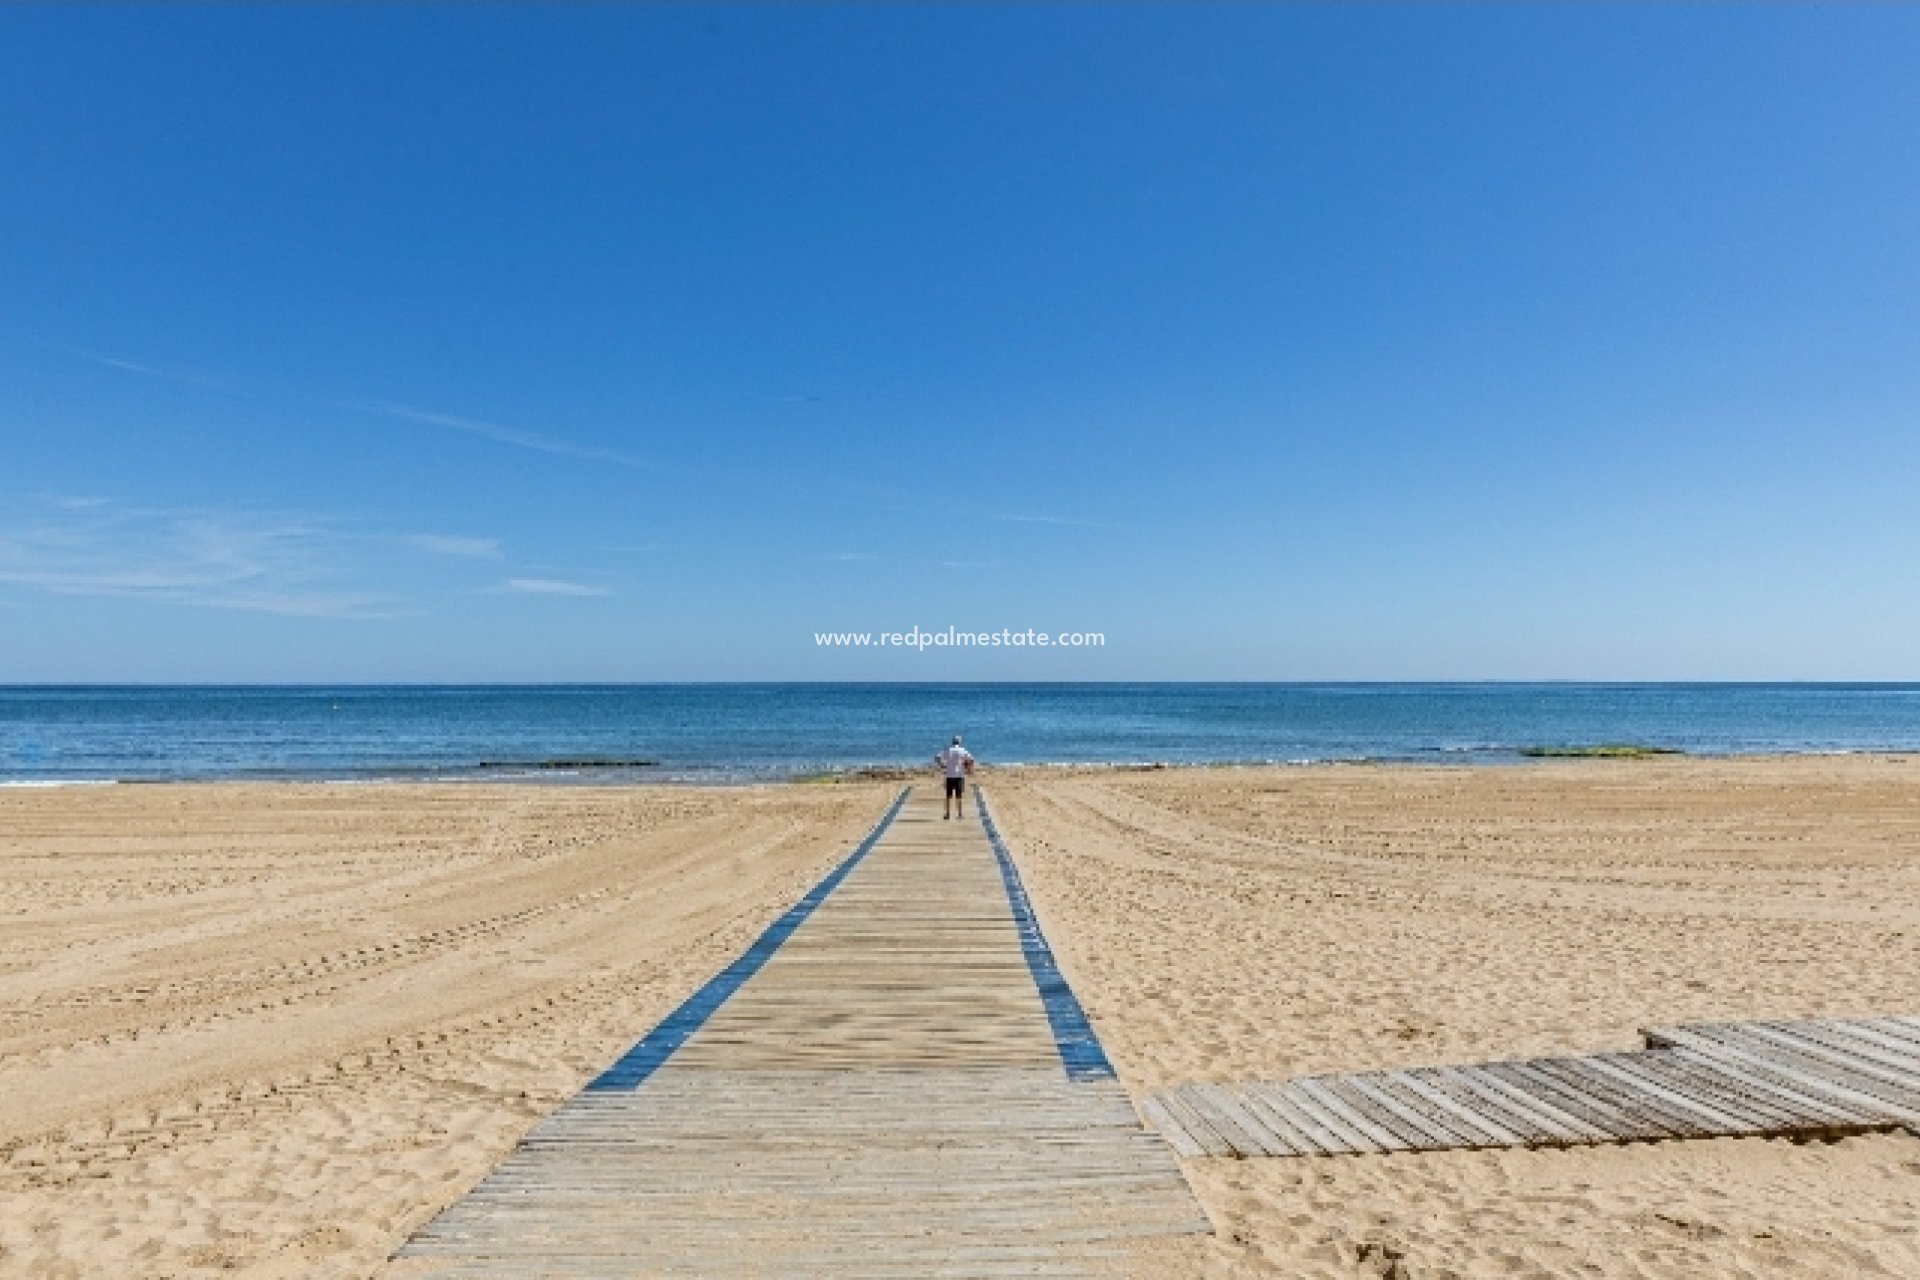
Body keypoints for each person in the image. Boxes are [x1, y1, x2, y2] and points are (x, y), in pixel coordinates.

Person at [935, 735, 975, 819]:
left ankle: (947, 814)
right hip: (959, 775)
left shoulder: (947, 750)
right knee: (959, 796)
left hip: (949, 775)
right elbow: (971, 759)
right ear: (959, 742)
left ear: (952, 742)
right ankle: (959, 814)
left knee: (948, 796)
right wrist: (968, 768)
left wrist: (942, 765)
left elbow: (937, 757)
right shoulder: (962, 750)